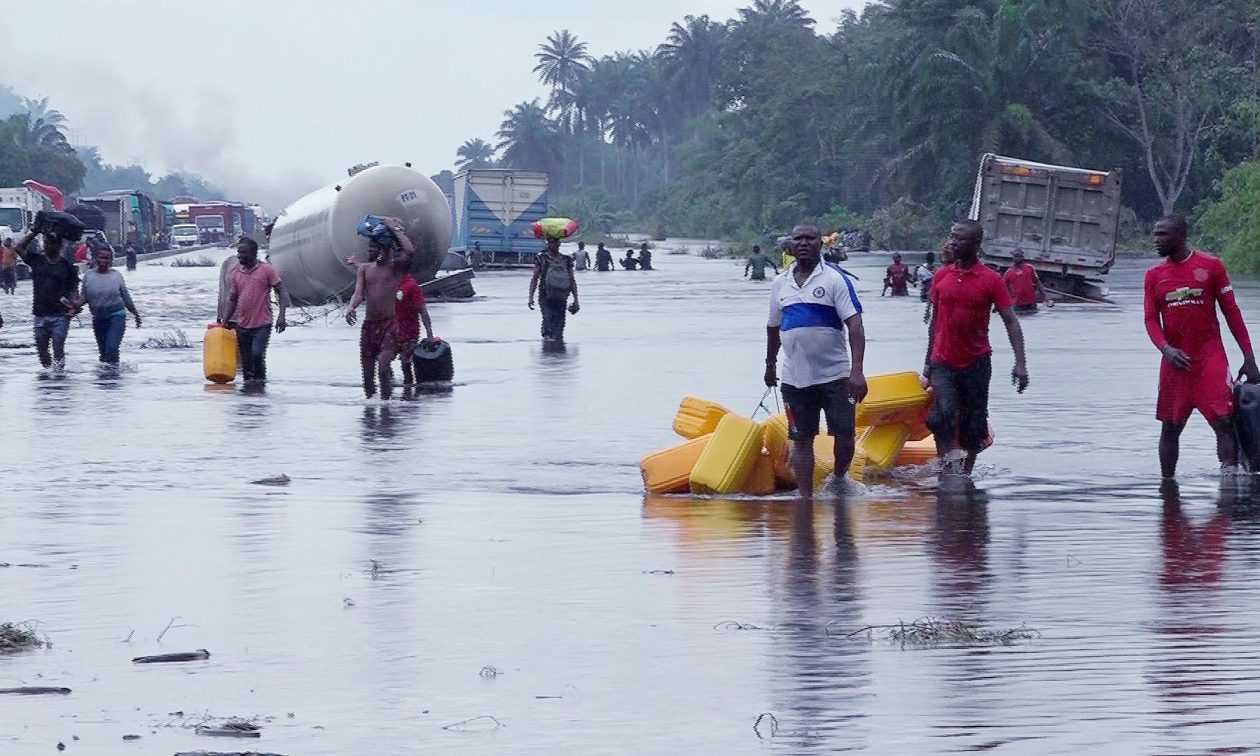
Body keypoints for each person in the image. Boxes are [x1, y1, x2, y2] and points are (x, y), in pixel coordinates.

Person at [1144, 214, 1259, 478]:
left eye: (1163, 235)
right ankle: (1167, 486)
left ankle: (1230, 484)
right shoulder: (1154, 275)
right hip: (1175, 363)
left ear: (1181, 236)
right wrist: (1165, 348)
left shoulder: (1211, 266)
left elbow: (1232, 313)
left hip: (1210, 358)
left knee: (1223, 423)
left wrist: (1249, 357)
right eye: (1155, 234)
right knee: (1170, 428)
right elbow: (1150, 319)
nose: (1156, 240)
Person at [764, 221, 867, 500]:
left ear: (820, 243)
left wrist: (857, 371)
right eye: (798, 239)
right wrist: (770, 364)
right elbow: (774, 328)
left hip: (836, 376)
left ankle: (839, 478)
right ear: (791, 245)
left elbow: (855, 326)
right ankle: (805, 499)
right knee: (801, 439)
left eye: (810, 239)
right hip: (794, 377)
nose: (803, 244)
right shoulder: (779, 284)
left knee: (844, 436)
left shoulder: (834, 279)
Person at [924, 219, 1029, 475]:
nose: (953, 242)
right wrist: (927, 363)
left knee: (973, 423)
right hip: (943, 361)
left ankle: (965, 474)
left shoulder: (991, 280)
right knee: (943, 415)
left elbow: (1011, 322)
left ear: (976, 244)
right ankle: (946, 469)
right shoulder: (940, 276)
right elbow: (935, 322)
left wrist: (1020, 363)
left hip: (976, 363)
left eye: (961, 239)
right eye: (952, 237)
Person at [345, 217, 416, 399]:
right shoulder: (365, 269)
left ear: (385, 248)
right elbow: (358, 294)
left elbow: (410, 251)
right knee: (367, 375)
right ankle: (371, 407)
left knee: (384, 368)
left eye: (375, 247)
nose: (371, 250)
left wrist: (394, 229)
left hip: (389, 325)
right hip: (369, 326)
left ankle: (386, 405)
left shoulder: (395, 268)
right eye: (370, 247)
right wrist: (351, 307)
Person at [14, 215, 80, 369]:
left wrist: (74, 304)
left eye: (49, 244)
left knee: (58, 349)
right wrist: (35, 232)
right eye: (45, 243)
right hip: (40, 314)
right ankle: (48, 378)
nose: (46, 247)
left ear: (58, 246)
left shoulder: (67, 267)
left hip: (60, 315)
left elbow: (73, 288)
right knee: (42, 352)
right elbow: (18, 248)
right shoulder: (37, 260)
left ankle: (59, 378)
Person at [219, 237, 287, 383]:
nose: (240, 256)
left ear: (254, 253)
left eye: (244, 252)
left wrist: (282, 316)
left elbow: (282, 292)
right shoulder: (236, 274)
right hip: (242, 324)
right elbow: (232, 299)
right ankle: (250, 395)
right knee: (247, 361)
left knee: (257, 354)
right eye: (239, 252)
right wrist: (224, 321)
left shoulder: (266, 270)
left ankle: (260, 386)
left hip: (262, 323)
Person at [77, 246, 141, 364]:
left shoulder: (117, 276)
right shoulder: (88, 276)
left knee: (111, 348)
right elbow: (84, 297)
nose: (104, 261)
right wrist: (75, 306)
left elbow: (125, 296)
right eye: (101, 257)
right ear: (96, 259)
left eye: (107, 258)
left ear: (111, 260)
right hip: (98, 318)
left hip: (117, 316)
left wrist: (135, 314)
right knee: (103, 352)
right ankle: (107, 378)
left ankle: (114, 377)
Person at [527, 237, 580, 343]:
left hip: (553, 294)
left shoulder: (543, 259)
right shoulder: (566, 259)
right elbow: (571, 280)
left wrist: (531, 297)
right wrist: (576, 299)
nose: (554, 245)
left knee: (553, 321)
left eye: (555, 243)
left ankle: (550, 347)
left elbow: (535, 278)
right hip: (556, 294)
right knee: (554, 321)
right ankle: (555, 347)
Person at [395, 270, 435, 386]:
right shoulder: (388, 284)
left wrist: (430, 335)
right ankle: (388, 389)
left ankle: (409, 395)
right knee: (382, 360)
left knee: (405, 363)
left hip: (409, 333)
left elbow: (422, 310)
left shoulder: (411, 286)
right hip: (391, 333)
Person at [1004, 249, 1053, 314]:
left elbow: (1037, 282)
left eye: (1018, 256)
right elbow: (1004, 288)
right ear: (1012, 258)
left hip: (1031, 302)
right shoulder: (1009, 272)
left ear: (1022, 257)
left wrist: (1045, 296)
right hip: (1017, 304)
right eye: (1015, 257)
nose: (1017, 258)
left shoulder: (1030, 268)